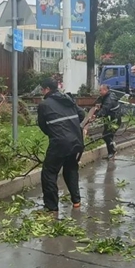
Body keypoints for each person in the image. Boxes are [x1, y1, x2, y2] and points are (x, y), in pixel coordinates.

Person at [37, 78, 86, 214]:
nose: (42, 92)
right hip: (76, 141)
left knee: (49, 173)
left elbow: (42, 125)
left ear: (47, 89)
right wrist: (72, 127)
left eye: (42, 89)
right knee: (71, 169)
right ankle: (76, 201)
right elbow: (81, 115)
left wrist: (54, 133)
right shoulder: (68, 100)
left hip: (59, 143)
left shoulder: (44, 105)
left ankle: (52, 207)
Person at [95, 84, 121, 159]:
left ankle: (112, 151)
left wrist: (96, 115)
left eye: (100, 90)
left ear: (105, 90)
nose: (99, 92)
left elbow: (105, 109)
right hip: (110, 119)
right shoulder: (108, 96)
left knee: (106, 135)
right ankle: (112, 151)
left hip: (114, 120)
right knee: (108, 135)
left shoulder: (109, 99)